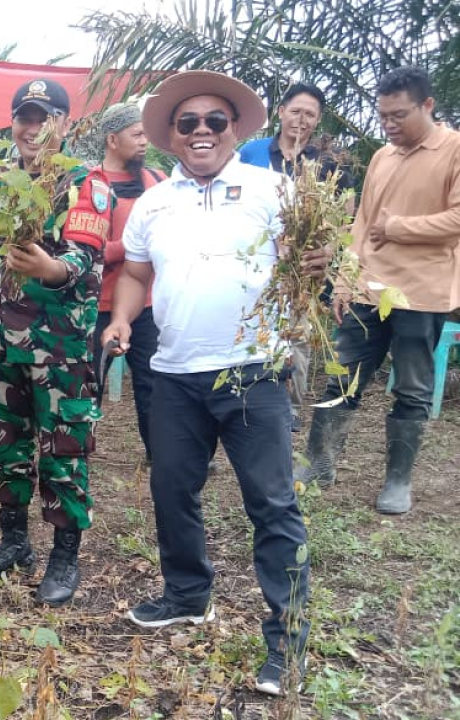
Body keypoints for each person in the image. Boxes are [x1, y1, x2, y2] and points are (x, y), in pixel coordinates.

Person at [101, 71, 326, 696]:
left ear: (234, 129)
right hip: (173, 373)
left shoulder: (274, 189)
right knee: (172, 488)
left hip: (254, 370)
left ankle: (289, 637)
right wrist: (121, 318)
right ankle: (187, 593)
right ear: (172, 135)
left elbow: (311, 260)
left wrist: (319, 263)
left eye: (215, 122)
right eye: (188, 123)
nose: (201, 132)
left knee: (272, 504)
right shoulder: (154, 202)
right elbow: (136, 276)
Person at [0, 78, 109, 606]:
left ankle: (65, 554)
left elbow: (86, 255)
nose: (32, 127)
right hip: (2, 340)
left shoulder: (84, 183)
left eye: (44, 117)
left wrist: (51, 268)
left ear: (65, 125)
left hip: (59, 346)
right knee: (4, 440)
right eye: (24, 116)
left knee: (63, 447)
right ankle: (13, 540)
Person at [299, 66, 460, 514]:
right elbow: (363, 225)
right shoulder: (382, 157)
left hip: (421, 293)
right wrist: (346, 282)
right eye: (383, 115)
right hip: (369, 289)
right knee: (342, 375)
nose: (389, 125)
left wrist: (400, 227)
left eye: (399, 115)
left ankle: (397, 481)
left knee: (410, 389)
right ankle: (318, 464)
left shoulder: (454, 150)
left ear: (428, 106)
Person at [239, 82, 357, 430]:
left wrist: (328, 250)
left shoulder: (329, 162)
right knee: (252, 325)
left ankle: (289, 406)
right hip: (255, 257)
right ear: (280, 112)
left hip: (304, 265)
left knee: (298, 334)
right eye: (296, 111)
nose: (301, 120)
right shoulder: (251, 153)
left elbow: (345, 215)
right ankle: (245, 396)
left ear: (317, 120)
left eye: (310, 114)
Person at [78, 102, 165, 463]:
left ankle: (160, 452)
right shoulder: (89, 184)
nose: (144, 142)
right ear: (112, 139)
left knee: (154, 385)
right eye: (137, 134)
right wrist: (127, 248)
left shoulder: (158, 181)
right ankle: (77, 453)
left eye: (146, 134)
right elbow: (83, 248)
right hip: (97, 307)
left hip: (145, 306)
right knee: (87, 385)